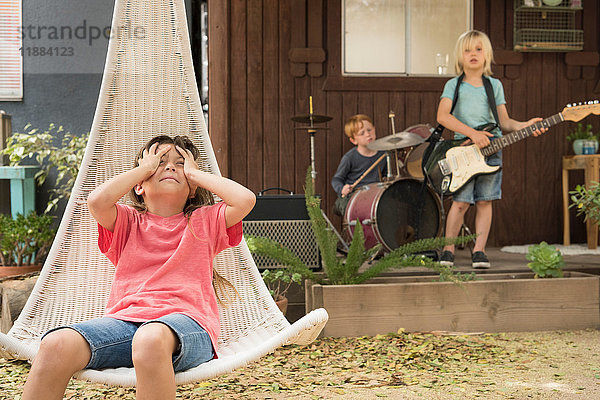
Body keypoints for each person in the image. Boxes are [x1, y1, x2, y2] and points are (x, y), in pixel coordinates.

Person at [22, 135, 256, 400]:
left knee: (150, 337)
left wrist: (195, 173)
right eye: (159, 162)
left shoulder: (204, 221)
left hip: (188, 327)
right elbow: (97, 201)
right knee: (55, 345)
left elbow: (245, 200)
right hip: (126, 324)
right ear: (139, 186)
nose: (170, 167)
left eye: (179, 164)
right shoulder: (127, 223)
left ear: (192, 187)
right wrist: (143, 169)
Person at [437, 30, 546, 269]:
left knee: (486, 201)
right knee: (460, 202)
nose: (473, 54)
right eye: (467, 50)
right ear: (460, 56)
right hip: (464, 150)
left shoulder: (493, 85)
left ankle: (479, 251)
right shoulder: (454, 85)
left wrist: (525, 125)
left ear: (487, 55)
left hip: (492, 149)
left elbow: (504, 122)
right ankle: (448, 249)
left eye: (478, 49)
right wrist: (472, 134)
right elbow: (443, 116)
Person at [331, 114, 387, 215]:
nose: (367, 134)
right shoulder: (350, 158)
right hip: (355, 195)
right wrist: (342, 189)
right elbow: (336, 180)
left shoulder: (383, 155)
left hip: (375, 195)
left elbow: (385, 176)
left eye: (369, 130)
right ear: (353, 140)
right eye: (362, 133)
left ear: (374, 129)